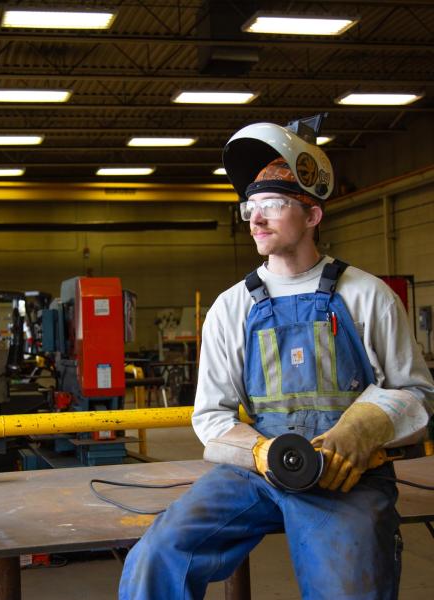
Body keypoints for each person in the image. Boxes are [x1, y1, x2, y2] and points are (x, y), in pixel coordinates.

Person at [118, 117, 434, 600]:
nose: (255, 219)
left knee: (347, 589)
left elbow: (416, 393)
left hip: (348, 475)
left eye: (273, 205)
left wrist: (363, 428)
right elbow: (212, 416)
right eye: (250, 207)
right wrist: (260, 452)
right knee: (158, 554)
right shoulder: (232, 307)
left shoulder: (367, 295)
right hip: (259, 473)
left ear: (312, 216)